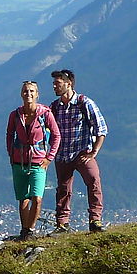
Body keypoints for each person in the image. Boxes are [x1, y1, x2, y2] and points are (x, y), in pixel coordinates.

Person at [49, 69, 108, 232]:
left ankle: (95, 220)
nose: (54, 86)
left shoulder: (84, 103)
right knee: (63, 189)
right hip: (62, 155)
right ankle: (62, 224)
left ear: (68, 84)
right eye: (54, 83)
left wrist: (94, 151)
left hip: (82, 153)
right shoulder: (54, 107)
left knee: (93, 180)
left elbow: (101, 128)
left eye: (58, 83)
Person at [6, 80, 61, 241]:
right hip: (19, 162)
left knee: (37, 198)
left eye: (31, 91)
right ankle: (25, 231)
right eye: (25, 91)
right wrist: (11, 153)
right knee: (23, 198)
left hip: (39, 162)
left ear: (37, 94)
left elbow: (56, 136)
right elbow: (9, 134)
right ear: (21, 94)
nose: (28, 94)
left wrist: (48, 158)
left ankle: (30, 229)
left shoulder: (45, 114)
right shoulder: (15, 115)